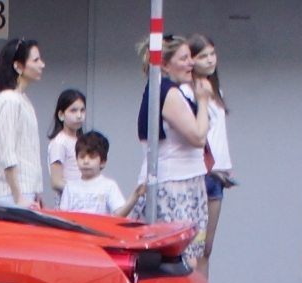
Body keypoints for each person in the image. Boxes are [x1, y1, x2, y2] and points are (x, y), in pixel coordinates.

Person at [142, 37, 211, 233]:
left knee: (193, 246)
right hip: (175, 184)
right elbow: (198, 137)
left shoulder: (167, 90)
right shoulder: (168, 92)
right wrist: (204, 101)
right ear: (164, 64)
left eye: (191, 57)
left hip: (186, 179)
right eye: (183, 58)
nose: (191, 63)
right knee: (182, 251)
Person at [0, 38, 47, 208]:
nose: (41, 64)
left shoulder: (22, 99)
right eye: (35, 60)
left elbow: (31, 150)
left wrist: (38, 190)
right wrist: (18, 196)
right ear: (18, 66)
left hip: (25, 191)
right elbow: (7, 152)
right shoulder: (9, 100)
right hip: (10, 194)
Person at [189, 35, 233, 270]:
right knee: (193, 246)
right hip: (199, 171)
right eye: (202, 55)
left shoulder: (216, 90)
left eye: (212, 54)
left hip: (217, 173)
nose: (209, 60)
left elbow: (218, 134)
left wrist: (226, 168)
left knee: (207, 247)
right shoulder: (189, 90)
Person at [61, 131, 132, 215]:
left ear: (102, 162)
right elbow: (63, 216)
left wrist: (135, 196)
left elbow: (119, 214)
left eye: (92, 157)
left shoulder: (109, 186)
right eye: (82, 157)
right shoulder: (70, 187)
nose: (86, 161)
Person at [45, 89, 87, 198]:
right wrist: (81, 191)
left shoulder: (81, 140)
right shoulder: (60, 143)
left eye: (82, 110)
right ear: (61, 115)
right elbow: (56, 182)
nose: (79, 115)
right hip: (68, 202)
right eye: (73, 110)